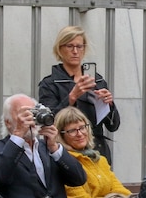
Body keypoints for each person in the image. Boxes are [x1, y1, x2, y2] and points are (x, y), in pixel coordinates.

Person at [37, 26, 121, 163]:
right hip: (66, 152)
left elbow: (113, 125)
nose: (75, 51)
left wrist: (109, 104)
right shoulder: (50, 83)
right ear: (60, 49)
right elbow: (47, 122)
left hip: (98, 151)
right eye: (70, 46)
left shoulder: (97, 80)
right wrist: (71, 98)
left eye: (79, 46)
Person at [54, 107, 131, 198]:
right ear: (61, 135)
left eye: (82, 127)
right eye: (72, 130)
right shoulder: (66, 163)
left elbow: (122, 193)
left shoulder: (100, 160)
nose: (80, 134)